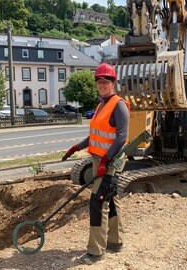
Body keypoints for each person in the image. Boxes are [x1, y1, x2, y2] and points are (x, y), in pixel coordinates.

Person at [61, 63, 130, 265]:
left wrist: (105, 162)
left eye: (105, 82)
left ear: (113, 83)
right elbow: (95, 135)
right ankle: (116, 242)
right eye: (99, 82)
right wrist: (76, 147)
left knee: (97, 203)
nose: (101, 85)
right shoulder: (101, 104)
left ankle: (96, 251)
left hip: (110, 161)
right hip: (99, 159)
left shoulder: (118, 105)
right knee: (110, 199)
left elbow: (121, 138)